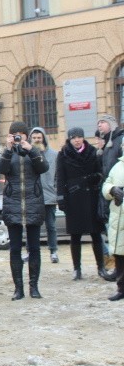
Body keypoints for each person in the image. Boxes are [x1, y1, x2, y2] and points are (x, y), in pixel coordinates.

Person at [0, 121, 48, 300]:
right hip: (13, 204)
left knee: (34, 248)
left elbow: (43, 168)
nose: (18, 136)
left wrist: (31, 150)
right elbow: (1, 169)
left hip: (33, 203)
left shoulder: (35, 151)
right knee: (15, 249)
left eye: (21, 134)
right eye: (14, 134)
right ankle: (18, 289)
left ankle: (34, 287)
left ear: (26, 135)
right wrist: (8, 149)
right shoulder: (6, 152)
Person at [56, 127, 113, 281]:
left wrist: (95, 177)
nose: (77, 140)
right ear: (69, 139)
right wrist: (61, 198)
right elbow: (60, 178)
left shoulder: (92, 152)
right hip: (74, 199)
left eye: (79, 137)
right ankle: (77, 268)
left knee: (96, 234)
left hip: (92, 197)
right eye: (74, 137)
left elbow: (101, 172)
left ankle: (101, 267)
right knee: (75, 235)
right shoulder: (63, 154)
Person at [96, 114, 123, 269]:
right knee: (112, 233)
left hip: (119, 194)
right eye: (98, 123)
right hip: (109, 192)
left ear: (111, 125)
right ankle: (117, 269)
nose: (99, 125)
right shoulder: (107, 144)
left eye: (103, 122)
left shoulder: (119, 141)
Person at [29, 127, 59, 263]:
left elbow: (58, 175)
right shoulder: (27, 154)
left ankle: (53, 252)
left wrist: (57, 192)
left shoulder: (54, 155)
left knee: (51, 226)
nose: (36, 140)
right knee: (32, 227)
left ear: (44, 138)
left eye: (39, 138)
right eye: (34, 138)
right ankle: (31, 252)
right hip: (33, 197)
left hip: (49, 196)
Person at [101, 142, 124, 301]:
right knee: (121, 256)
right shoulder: (118, 166)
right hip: (119, 217)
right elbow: (106, 184)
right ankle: (122, 288)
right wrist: (112, 190)